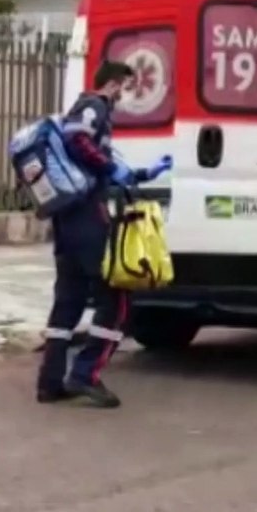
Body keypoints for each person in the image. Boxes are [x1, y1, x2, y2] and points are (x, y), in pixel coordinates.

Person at [37, 61, 173, 408]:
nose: (124, 95)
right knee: (116, 298)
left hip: (67, 218)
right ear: (113, 84)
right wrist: (111, 167)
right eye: (125, 87)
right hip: (86, 216)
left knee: (68, 300)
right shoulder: (94, 106)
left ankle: (50, 382)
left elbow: (99, 163)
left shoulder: (84, 108)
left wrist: (144, 173)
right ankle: (85, 375)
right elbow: (78, 139)